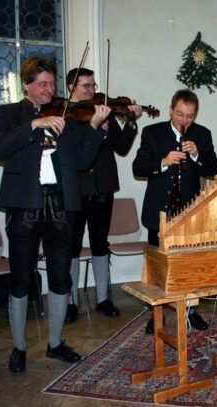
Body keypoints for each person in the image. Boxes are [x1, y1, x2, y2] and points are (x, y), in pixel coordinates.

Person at [0, 56, 110, 374]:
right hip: (24, 204)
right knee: (20, 278)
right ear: (25, 85)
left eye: (52, 84)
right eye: (42, 83)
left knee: (59, 276)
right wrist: (34, 125)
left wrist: (94, 128)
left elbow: (82, 161)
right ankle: (19, 347)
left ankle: (55, 343)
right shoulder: (8, 114)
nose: (48, 89)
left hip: (60, 204)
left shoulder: (66, 115)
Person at [132, 89, 217, 334]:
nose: (184, 120)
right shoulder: (152, 132)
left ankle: (190, 310)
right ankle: (157, 314)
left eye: (190, 116)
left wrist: (197, 155)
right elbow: (138, 168)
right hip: (158, 211)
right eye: (180, 114)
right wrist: (162, 162)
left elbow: (213, 168)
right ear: (171, 109)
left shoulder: (202, 134)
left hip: (188, 214)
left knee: (187, 267)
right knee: (158, 269)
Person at [64, 68, 143, 323]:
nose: (92, 90)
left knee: (100, 244)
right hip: (76, 190)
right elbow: (72, 150)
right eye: (86, 86)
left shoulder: (103, 110)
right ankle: (70, 302)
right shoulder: (66, 115)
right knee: (72, 246)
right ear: (71, 88)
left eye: (93, 85)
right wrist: (94, 127)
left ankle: (103, 298)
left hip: (103, 188)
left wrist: (131, 122)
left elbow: (122, 147)